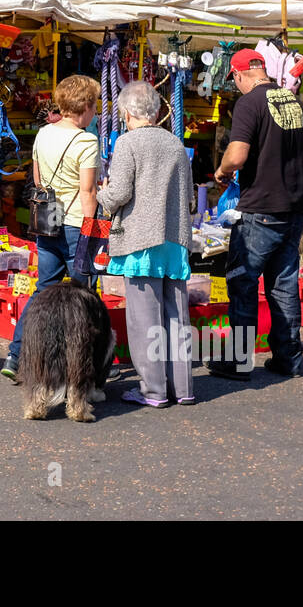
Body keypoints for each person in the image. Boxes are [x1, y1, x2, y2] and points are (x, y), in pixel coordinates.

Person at [211, 48, 303, 380]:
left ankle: (239, 361)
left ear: (239, 74)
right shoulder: (293, 100)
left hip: (260, 210)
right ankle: (288, 358)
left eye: (234, 80)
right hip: (293, 208)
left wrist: (222, 172)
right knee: (283, 286)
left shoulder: (249, 103)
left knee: (243, 283)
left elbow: (237, 155)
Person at [97, 81, 195, 407]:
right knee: (176, 316)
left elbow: (120, 193)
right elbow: (189, 196)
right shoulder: (176, 145)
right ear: (156, 110)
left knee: (144, 319)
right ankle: (182, 388)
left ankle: (152, 390)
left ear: (127, 113)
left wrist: (101, 195)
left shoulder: (128, 143)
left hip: (141, 238)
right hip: (174, 237)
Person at [2, 74, 100, 380]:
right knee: (83, 296)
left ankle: (16, 355)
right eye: (94, 104)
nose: (95, 111)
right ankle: (83, 367)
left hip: (48, 220)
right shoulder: (87, 141)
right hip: (75, 225)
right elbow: (89, 193)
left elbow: (39, 180)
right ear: (84, 105)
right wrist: (92, 232)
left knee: (43, 291)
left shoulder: (44, 133)